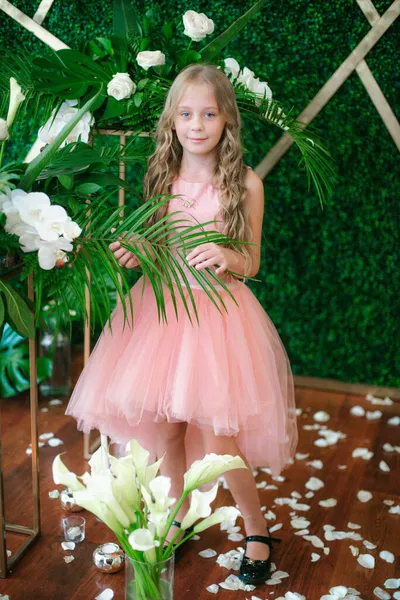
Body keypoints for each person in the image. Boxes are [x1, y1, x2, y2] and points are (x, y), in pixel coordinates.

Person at [66, 64, 298, 585]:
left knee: (218, 439)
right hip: (162, 312)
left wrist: (226, 254)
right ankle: (175, 516)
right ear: (172, 121)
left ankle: (257, 527)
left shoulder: (245, 183)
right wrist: (136, 251)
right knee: (167, 428)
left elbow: (252, 262)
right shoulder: (163, 177)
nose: (197, 124)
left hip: (215, 317)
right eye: (187, 114)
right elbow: (156, 243)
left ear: (226, 121)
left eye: (209, 114)